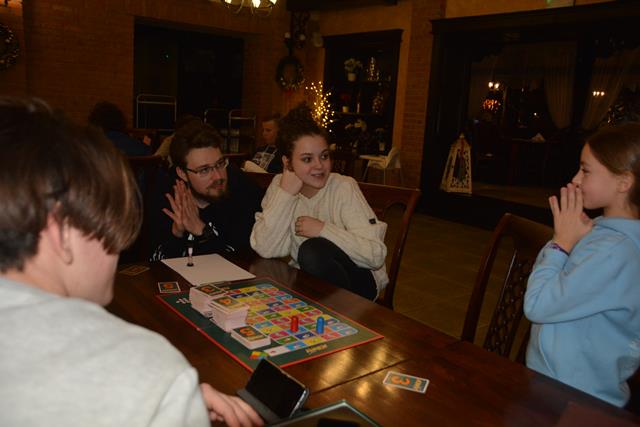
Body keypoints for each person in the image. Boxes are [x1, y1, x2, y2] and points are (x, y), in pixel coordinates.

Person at [0, 97, 263, 426]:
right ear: (61, 235)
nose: (118, 248)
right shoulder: (155, 372)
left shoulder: (241, 190)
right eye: (110, 228)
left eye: (219, 164)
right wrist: (171, 396)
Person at [524, 123, 640, 408]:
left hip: (573, 396)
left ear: (624, 182)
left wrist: (560, 243)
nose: (575, 179)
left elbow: (536, 305)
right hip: (560, 384)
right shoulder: (600, 231)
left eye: (585, 171)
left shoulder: (613, 252)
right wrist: (564, 241)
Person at [250, 105, 388, 300]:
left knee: (312, 250)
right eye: (307, 159)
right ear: (287, 163)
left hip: (358, 283)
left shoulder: (343, 187)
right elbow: (267, 249)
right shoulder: (279, 188)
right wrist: (286, 194)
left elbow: (375, 255)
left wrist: (323, 229)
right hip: (312, 281)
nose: (319, 165)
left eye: (324, 156)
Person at [151, 120, 263, 260]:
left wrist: (201, 230)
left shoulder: (243, 191)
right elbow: (155, 265)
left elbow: (241, 262)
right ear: (182, 173)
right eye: (204, 170)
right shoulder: (168, 197)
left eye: (220, 164)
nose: (218, 176)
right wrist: (177, 235)